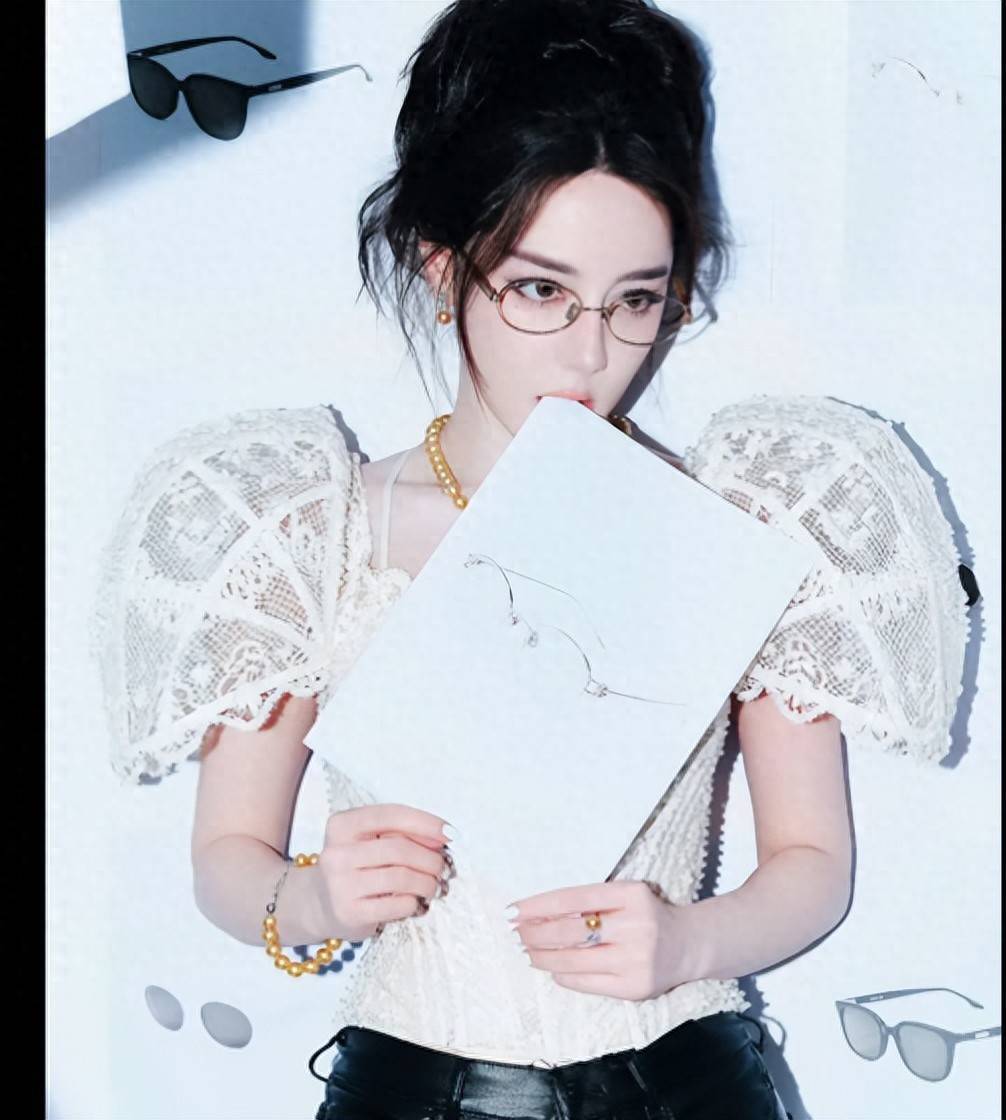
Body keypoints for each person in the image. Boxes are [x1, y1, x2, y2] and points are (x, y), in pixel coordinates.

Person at [90, 2, 971, 1118]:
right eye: (541, 290)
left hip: (682, 1079)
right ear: (440, 263)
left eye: (636, 299)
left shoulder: (738, 521)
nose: (592, 352)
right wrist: (312, 898)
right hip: (413, 1087)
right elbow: (226, 851)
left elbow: (812, 861)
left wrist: (688, 939)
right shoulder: (312, 530)